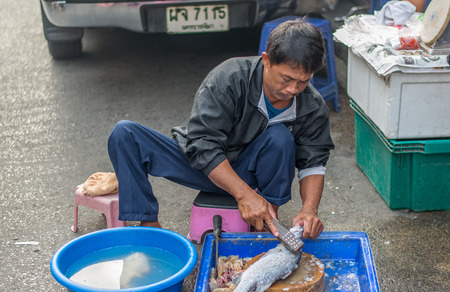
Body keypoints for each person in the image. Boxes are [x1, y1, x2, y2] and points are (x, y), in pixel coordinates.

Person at [107, 19, 334, 239]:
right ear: (266, 60)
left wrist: (309, 210)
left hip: (249, 172)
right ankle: (149, 224)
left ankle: (264, 220)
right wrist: (244, 195)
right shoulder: (228, 78)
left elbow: (313, 162)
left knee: (281, 137)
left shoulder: (312, 106)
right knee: (125, 134)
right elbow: (203, 145)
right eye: (287, 78)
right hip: (204, 166)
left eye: (303, 81)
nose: (293, 89)